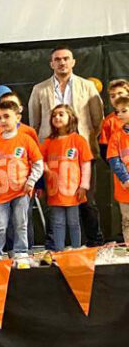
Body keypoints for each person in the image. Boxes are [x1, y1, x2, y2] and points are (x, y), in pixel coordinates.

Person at [28, 45, 104, 247]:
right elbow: (34, 124)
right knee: (53, 203)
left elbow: (98, 121)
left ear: (73, 62)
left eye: (66, 58)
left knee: (87, 201)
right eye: (57, 59)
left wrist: (82, 140)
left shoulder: (88, 86)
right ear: (51, 63)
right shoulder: (39, 89)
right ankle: (55, 246)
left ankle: (94, 244)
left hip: (82, 153)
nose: (62, 62)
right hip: (51, 156)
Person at [0, 101, 44, 263]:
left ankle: (21, 251)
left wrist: (31, 181)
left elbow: (38, 163)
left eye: (6, 116)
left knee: (21, 223)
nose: (2, 120)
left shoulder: (25, 139)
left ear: (17, 118)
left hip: (20, 192)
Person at [41, 105, 93, 252]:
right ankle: (59, 251)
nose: (57, 117)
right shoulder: (48, 141)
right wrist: (45, 168)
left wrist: (84, 186)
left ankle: (75, 251)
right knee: (57, 223)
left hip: (73, 191)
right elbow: (39, 159)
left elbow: (85, 163)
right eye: (54, 115)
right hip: (55, 190)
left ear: (71, 118)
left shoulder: (78, 140)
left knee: (73, 222)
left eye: (61, 114)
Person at [106, 96, 129, 245]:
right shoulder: (116, 136)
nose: (119, 114)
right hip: (125, 189)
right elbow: (114, 160)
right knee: (127, 219)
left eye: (124, 111)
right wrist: (125, 179)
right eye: (117, 111)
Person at [100, 79, 129, 161]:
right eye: (113, 96)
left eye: (120, 93)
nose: (116, 97)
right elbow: (104, 148)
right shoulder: (109, 121)